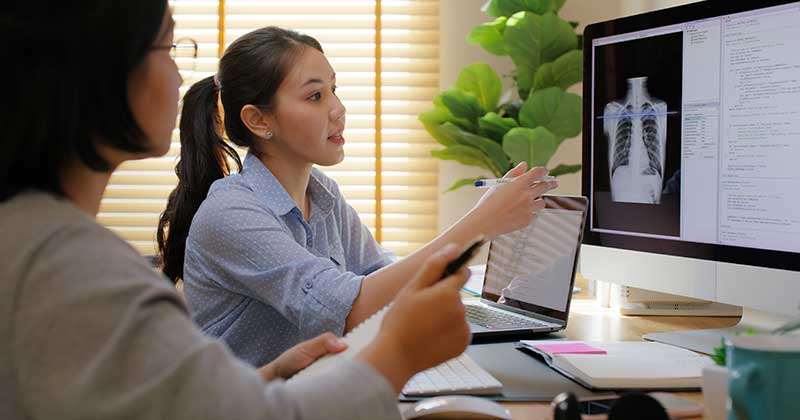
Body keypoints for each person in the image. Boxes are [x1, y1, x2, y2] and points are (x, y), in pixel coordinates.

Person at [0, 2, 472, 419]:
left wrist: (265, 378)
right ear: (98, 70)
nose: (181, 74)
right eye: (167, 49)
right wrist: (400, 352)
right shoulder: (67, 268)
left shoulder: (40, 242)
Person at [157, 26, 558, 365]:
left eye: (334, 89)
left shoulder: (322, 195)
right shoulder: (232, 212)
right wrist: (479, 224)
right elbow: (348, 309)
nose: (338, 109)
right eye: (315, 96)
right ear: (259, 120)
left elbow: (380, 281)